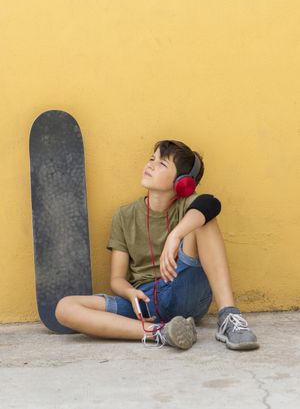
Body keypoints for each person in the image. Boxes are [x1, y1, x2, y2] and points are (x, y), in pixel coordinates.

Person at [55, 140, 259, 351]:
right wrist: (129, 293)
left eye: (162, 164)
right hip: (143, 301)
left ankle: (229, 317)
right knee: (65, 308)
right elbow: (116, 278)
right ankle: (162, 332)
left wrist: (175, 235)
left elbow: (211, 203)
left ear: (182, 183)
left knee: (204, 219)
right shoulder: (123, 216)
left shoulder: (188, 205)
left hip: (184, 288)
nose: (151, 165)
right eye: (152, 159)